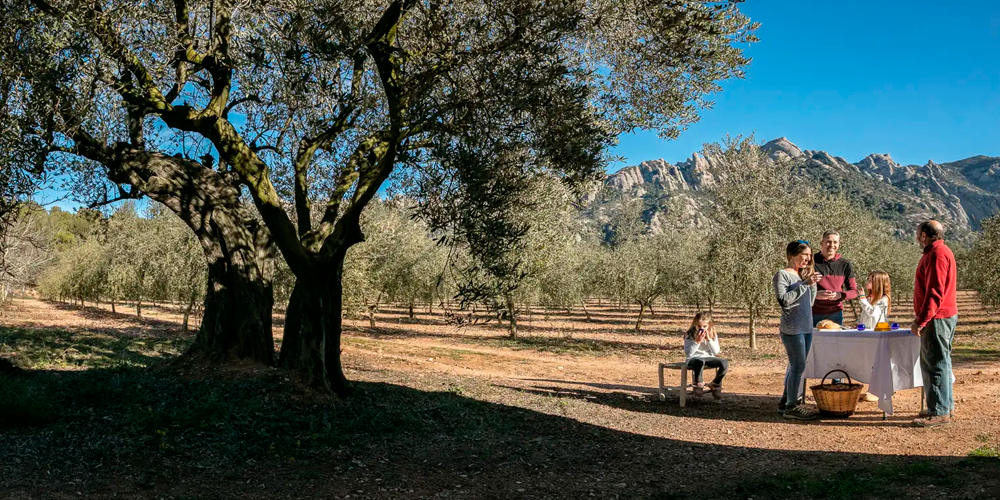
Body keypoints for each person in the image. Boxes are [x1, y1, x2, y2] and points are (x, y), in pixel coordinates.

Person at [910, 220, 958, 428]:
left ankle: (938, 412)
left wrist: (921, 320)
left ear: (924, 236)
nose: (916, 237)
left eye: (917, 233)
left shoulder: (937, 255)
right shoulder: (939, 252)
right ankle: (945, 406)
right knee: (942, 362)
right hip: (942, 316)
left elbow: (935, 292)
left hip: (936, 318)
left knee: (934, 364)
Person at [773, 240, 822, 420]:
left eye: (809, 255)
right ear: (792, 254)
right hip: (792, 329)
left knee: (797, 367)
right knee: (798, 366)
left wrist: (812, 284)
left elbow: (809, 303)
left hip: (806, 327)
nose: (808, 259)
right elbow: (784, 301)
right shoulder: (782, 275)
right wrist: (805, 284)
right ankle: (791, 407)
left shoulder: (803, 276)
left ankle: (785, 402)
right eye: (804, 255)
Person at [856, 270, 893, 403]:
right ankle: (873, 390)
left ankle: (879, 391)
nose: (867, 282)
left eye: (870, 280)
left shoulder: (883, 299)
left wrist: (862, 299)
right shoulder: (871, 298)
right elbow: (866, 316)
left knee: (877, 363)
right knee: (870, 362)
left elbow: (873, 313)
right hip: (868, 335)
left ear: (877, 283)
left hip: (878, 335)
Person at [812, 231, 859, 327]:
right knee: (814, 342)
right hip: (813, 312)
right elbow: (800, 286)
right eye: (828, 242)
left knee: (835, 342)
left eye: (835, 242)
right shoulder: (811, 262)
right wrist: (814, 294)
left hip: (836, 313)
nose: (832, 245)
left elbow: (854, 291)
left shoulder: (845, 265)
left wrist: (839, 295)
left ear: (839, 244)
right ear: (822, 243)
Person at [683, 312, 727, 400]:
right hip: (693, 358)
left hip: (709, 357)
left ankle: (715, 383)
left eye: (705, 326)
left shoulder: (712, 333)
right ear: (695, 324)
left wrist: (709, 340)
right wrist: (697, 342)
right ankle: (698, 384)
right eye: (699, 326)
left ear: (709, 325)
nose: (702, 329)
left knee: (724, 363)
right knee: (699, 361)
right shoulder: (689, 334)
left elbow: (716, 351)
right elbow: (688, 353)